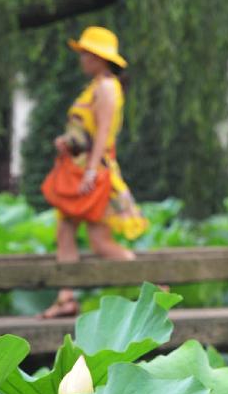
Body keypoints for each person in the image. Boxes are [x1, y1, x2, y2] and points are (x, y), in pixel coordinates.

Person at [42, 26, 148, 318]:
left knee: (101, 242)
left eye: (86, 53)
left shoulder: (106, 87)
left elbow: (103, 134)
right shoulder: (96, 86)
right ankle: (65, 298)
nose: (82, 59)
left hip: (94, 173)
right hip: (81, 169)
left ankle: (155, 287)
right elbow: (86, 132)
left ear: (99, 58)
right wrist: (69, 143)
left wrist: (90, 170)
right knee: (65, 231)